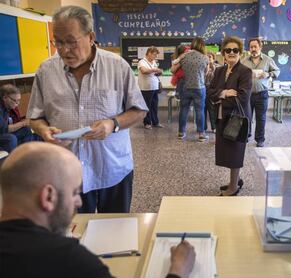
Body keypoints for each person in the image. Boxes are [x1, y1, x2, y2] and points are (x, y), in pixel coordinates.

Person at [0, 142, 196, 278]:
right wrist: (178, 269)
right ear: (48, 196)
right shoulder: (69, 261)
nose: (78, 202)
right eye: (75, 192)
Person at [27, 6, 148, 213]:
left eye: (71, 42)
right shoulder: (46, 70)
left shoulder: (117, 66)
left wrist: (113, 123)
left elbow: (139, 110)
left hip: (112, 168)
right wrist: (43, 130)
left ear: (90, 37)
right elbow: (35, 117)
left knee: (115, 230)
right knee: (74, 234)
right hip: (66, 172)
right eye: (58, 41)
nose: (64, 50)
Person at [208, 36, 252, 196]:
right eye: (228, 50)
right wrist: (225, 93)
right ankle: (235, 180)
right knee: (227, 151)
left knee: (235, 152)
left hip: (237, 119)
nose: (231, 53)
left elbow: (242, 97)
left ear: (240, 53)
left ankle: (233, 188)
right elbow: (210, 92)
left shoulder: (245, 72)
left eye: (235, 50)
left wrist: (219, 96)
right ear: (223, 53)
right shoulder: (219, 71)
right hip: (221, 118)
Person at [241, 37, 280, 147]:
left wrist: (268, 74)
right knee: (246, 117)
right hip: (248, 94)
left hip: (262, 94)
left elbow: (277, 71)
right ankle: (246, 136)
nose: (253, 49)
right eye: (251, 47)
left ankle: (260, 139)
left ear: (260, 47)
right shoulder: (244, 61)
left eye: (255, 46)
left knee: (261, 117)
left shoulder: (268, 60)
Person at [171, 37, 209, 142]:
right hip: (199, 88)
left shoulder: (184, 56)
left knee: (184, 110)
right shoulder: (205, 58)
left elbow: (172, 70)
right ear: (202, 46)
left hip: (186, 87)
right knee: (200, 111)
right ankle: (201, 134)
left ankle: (181, 132)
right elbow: (206, 73)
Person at [0, 84, 38, 152]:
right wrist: (23, 123)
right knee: (11, 138)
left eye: (19, 100)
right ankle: (14, 161)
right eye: (15, 100)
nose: (18, 103)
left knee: (26, 129)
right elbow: (4, 129)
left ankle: (28, 153)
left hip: (3, 134)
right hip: (2, 133)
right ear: (5, 98)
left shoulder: (8, 107)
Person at [138, 46, 164, 129]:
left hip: (154, 87)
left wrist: (159, 72)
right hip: (146, 88)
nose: (155, 56)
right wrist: (155, 69)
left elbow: (154, 73)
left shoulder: (153, 62)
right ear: (149, 53)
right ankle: (147, 123)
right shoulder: (142, 62)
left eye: (156, 55)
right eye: (154, 54)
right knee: (147, 106)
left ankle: (155, 122)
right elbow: (144, 71)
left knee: (154, 106)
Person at [204, 51, 219, 133]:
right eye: (206, 57)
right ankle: (203, 127)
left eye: (210, 57)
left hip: (212, 90)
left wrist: (212, 68)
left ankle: (214, 127)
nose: (208, 59)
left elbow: (217, 78)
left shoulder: (217, 67)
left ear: (213, 58)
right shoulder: (202, 66)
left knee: (212, 109)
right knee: (203, 109)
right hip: (203, 89)